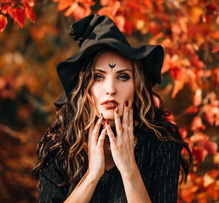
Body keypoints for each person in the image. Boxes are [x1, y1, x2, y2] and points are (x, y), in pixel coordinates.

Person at [31, 14, 191, 203]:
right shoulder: (59, 147)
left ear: (136, 87)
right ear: (84, 87)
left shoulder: (162, 144)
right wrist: (92, 175)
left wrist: (129, 169)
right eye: (98, 77)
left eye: (123, 77)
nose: (111, 90)